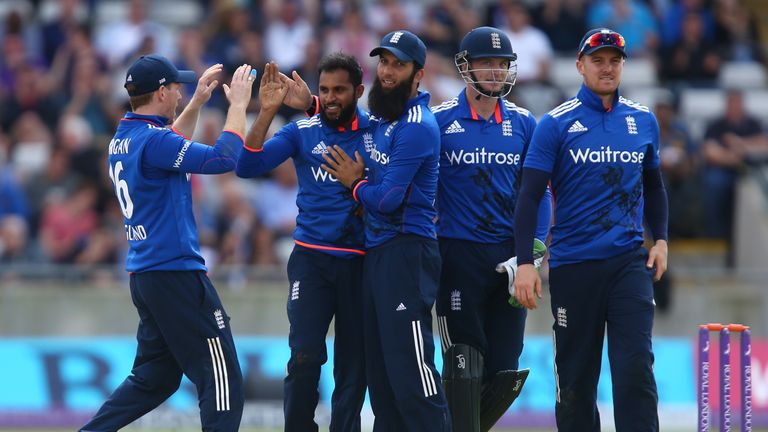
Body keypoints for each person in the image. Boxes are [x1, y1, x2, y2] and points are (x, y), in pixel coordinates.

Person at [80, 55, 255, 431]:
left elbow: (167, 145)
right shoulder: (154, 141)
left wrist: (196, 103)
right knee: (221, 376)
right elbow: (224, 158)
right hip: (176, 273)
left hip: (146, 276)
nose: (180, 92)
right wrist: (238, 105)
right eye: (176, 88)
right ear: (161, 92)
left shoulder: (123, 139)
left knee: (154, 379)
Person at [512, 28, 668, 431]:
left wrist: (662, 240)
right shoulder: (556, 124)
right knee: (576, 381)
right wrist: (527, 263)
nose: (607, 67)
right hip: (574, 266)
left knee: (635, 369)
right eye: (598, 60)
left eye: (614, 60)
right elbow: (529, 196)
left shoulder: (642, 120)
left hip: (627, 264)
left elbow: (654, 186)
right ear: (580, 66)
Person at [321, 30, 451, 431]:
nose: (388, 71)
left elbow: (389, 198)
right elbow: (346, 113)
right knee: (382, 383)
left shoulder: (416, 125)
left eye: (399, 64)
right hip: (378, 252)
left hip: (405, 253)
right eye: (384, 62)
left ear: (419, 74)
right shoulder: (383, 115)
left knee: (412, 376)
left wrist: (355, 184)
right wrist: (310, 100)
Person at [235, 55, 369, 432]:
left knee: (353, 367)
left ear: (358, 91)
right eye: (323, 90)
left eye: (339, 90)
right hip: (311, 261)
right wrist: (268, 110)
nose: (330, 97)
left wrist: (362, 186)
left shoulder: (377, 131)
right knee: (305, 356)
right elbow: (247, 166)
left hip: (360, 261)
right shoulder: (301, 131)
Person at [431, 26, 552, 432]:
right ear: (466, 67)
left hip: (509, 254)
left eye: (502, 64)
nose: (496, 71)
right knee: (464, 359)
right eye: (487, 63)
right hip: (457, 255)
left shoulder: (523, 124)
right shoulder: (440, 122)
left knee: (504, 369)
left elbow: (540, 194)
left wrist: (533, 253)